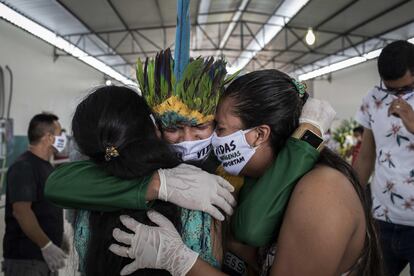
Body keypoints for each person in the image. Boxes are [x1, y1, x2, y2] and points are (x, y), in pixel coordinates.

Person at [45, 50, 335, 274]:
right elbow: (60, 183)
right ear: (154, 126)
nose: (187, 139)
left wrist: (305, 139)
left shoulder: (233, 161)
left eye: (204, 127)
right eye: (173, 129)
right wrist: (158, 184)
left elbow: (251, 225)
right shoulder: (138, 160)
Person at [112, 69, 383, 276]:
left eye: (219, 129)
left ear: (258, 135)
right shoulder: (254, 178)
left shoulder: (324, 191)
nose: (209, 141)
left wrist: (182, 261)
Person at [353, 40, 414, 276]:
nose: (396, 96)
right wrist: (352, 197)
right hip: (382, 220)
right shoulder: (373, 98)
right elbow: (366, 156)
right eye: (390, 89)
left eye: (405, 89)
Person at [2, 113, 67, 276]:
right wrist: (46, 245)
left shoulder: (47, 167)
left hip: (47, 258)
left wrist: (59, 235)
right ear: (48, 138)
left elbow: (46, 208)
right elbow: (22, 211)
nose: (63, 138)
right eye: (60, 134)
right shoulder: (24, 167)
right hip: (26, 260)